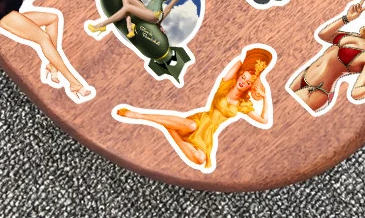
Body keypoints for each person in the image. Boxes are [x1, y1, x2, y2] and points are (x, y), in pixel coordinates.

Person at [115, 47, 272, 171]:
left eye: (248, 82)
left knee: (200, 159)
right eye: (243, 77)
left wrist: (265, 97)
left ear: (250, 86)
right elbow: (238, 62)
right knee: (190, 126)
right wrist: (252, 66)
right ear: (239, 75)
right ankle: (139, 115)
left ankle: (170, 129)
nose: (243, 82)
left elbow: (264, 120)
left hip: (208, 133)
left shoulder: (243, 105)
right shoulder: (226, 85)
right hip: (201, 120)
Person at [289, 0, 365, 114]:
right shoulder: (358, 37)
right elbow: (323, 35)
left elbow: (355, 93)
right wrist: (347, 18)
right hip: (303, 76)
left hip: (318, 91)